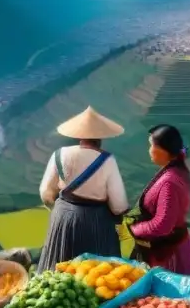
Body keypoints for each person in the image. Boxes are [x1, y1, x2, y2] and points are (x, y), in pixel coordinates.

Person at [38, 107, 130, 271]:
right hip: (96, 221)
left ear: (79, 135)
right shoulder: (107, 160)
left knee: (58, 268)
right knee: (98, 274)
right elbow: (119, 205)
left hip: (63, 216)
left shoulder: (59, 154)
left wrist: (59, 210)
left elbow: (46, 192)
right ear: (101, 137)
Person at [124, 125, 190, 276]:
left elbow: (163, 224)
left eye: (152, 145)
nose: (149, 150)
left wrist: (134, 230)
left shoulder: (169, 182)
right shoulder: (176, 172)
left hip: (171, 256)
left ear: (163, 150)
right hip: (176, 248)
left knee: (172, 299)